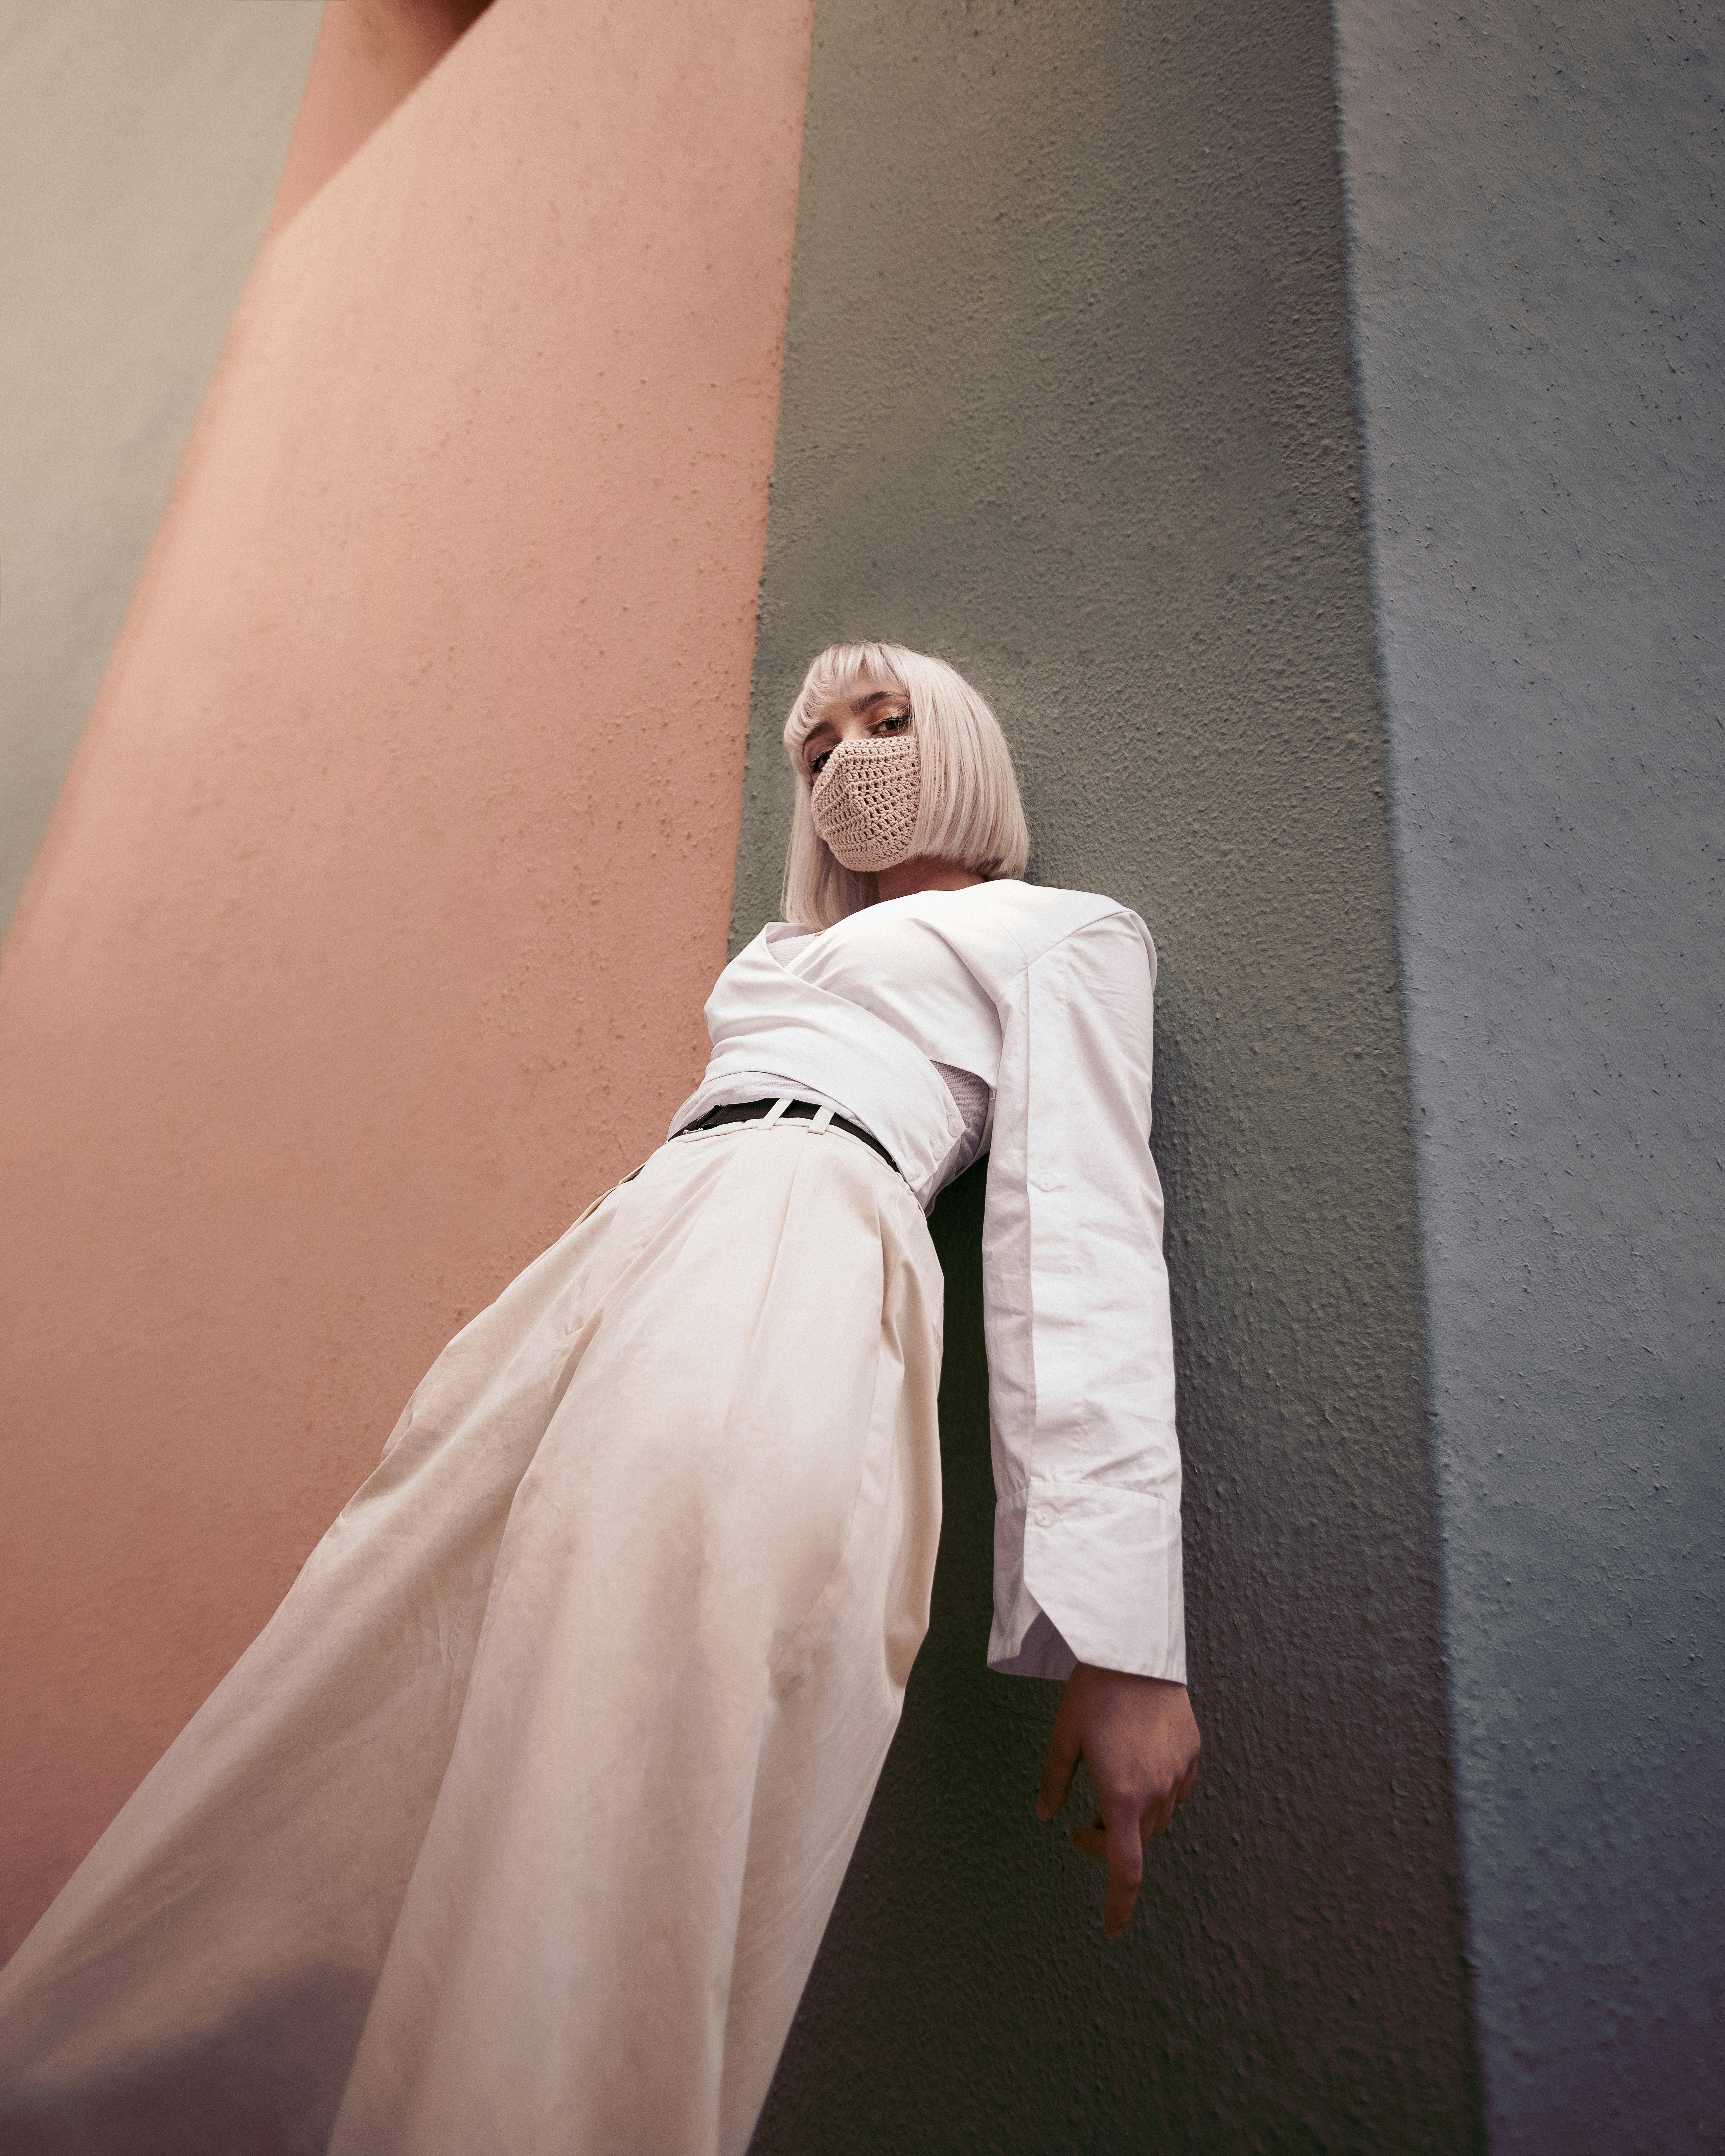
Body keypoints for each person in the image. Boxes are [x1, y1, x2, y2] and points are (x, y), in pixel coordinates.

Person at [0, 641, 1200, 2156]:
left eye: (887, 721)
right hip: (622, 1254)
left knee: (633, 1697)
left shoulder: (1063, 935)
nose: (847, 761)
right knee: (375, 1649)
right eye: (817, 746)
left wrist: (1122, 1644)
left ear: (964, 740)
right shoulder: (776, 957)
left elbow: (1084, 1239)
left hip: (797, 1247)